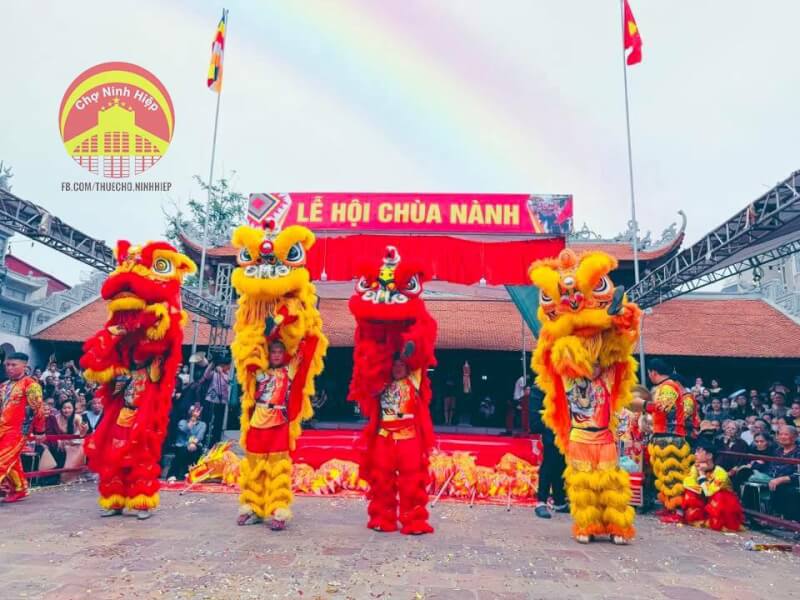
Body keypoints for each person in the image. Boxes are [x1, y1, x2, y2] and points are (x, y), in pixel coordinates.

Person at [645, 358, 699, 522]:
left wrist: (642, 405)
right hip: (664, 436)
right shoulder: (665, 386)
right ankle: (670, 506)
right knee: (665, 475)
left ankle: (680, 511)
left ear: (653, 372)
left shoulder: (668, 386)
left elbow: (664, 407)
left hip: (671, 438)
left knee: (673, 475)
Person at [0, 352, 46, 502]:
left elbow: (38, 409)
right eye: (7, 364)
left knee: (2, 460)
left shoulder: (31, 385)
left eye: (14, 365)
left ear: (24, 366)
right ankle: (19, 489)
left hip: (18, 431)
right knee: (11, 461)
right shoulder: (4, 385)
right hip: (2, 428)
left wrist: (40, 431)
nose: (9, 368)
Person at [682, 441, 744, 531]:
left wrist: (702, 474)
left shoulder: (720, 473)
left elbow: (709, 492)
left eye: (698, 451)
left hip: (722, 503)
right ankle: (699, 518)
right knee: (689, 492)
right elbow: (687, 483)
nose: (695, 454)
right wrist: (700, 489)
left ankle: (715, 521)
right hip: (706, 496)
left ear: (709, 456)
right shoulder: (695, 467)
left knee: (719, 496)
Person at [531, 386, 568, 519]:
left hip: (566, 427)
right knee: (549, 462)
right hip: (550, 426)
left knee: (561, 462)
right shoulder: (542, 385)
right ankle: (541, 502)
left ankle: (559, 501)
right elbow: (536, 414)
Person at [767, 425, 800, 521]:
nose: (782, 437)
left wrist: (781, 479)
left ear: (795, 437)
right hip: (773, 479)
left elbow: (797, 474)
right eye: (780, 434)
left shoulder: (798, 451)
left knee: (786, 490)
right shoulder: (777, 451)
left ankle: (786, 520)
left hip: (792, 482)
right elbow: (771, 468)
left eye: (786, 434)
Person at [169, 403, 206, 480]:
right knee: (183, 451)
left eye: (198, 410)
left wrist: (193, 443)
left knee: (195, 451)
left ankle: (190, 474)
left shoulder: (202, 424)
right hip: (182, 445)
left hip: (195, 446)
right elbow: (185, 430)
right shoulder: (182, 422)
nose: (197, 412)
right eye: (195, 410)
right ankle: (173, 474)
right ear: (190, 411)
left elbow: (200, 436)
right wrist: (192, 421)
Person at [202, 359, 230, 446]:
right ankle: (204, 441)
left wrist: (221, 373)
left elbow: (228, 381)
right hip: (211, 399)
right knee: (207, 420)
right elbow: (206, 375)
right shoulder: (214, 373)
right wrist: (212, 364)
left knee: (218, 423)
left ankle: (215, 442)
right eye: (222, 365)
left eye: (225, 365)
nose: (223, 367)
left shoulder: (229, 374)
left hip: (221, 402)